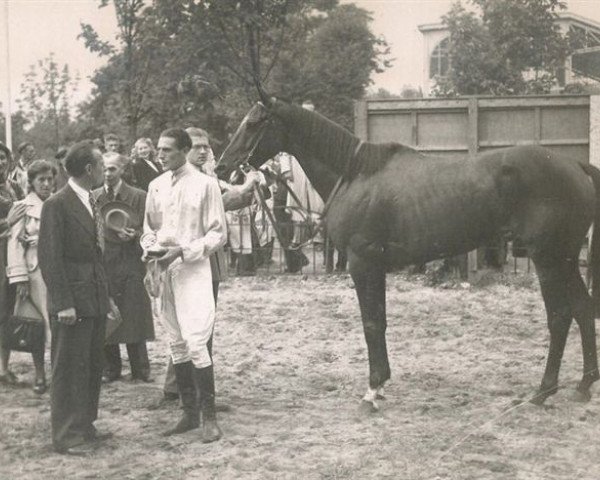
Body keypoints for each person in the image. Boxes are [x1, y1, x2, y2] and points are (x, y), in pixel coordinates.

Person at [151, 127, 263, 408]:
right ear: (186, 149)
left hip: (205, 260)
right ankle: (182, 391)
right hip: (185, 260)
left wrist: (248, 188)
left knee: (200, 327)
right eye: (197, 146)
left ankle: (188, 391)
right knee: (187, 328)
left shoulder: (208, 178)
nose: (203, 151)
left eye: (206, 146)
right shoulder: (174, 183)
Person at [142, 128, 227, 442]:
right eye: (159, 150)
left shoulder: (206, 185)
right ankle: (189, 413)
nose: (160, 155)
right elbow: (149, 228)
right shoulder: (155, 185)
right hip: (164, 271)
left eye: (167, 150)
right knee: (176, 341)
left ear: (184, 150)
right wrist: (151, 249)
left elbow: (218, 234)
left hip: (193, 270)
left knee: (196, 342)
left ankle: (210, 417)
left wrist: (186, 251)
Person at [38, 140, 111, 455]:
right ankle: (66, 435)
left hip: (93, 295)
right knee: (69, 366)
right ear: (89, 169)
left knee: (91, 364)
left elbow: (95, 255)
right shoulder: (57, 204)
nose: (106, 171)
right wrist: (63, 302)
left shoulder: (90, 201)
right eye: (103, 166)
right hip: (72, 301)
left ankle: (85, 425)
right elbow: (50, 258)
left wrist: (105, 297)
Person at [92, 153, 154, 383]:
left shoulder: (139, 196)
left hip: (130, 262)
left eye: (112, 169)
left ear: (123, 170)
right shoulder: (94, 197)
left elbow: (151, 231)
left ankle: (141, 368)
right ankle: (110, 368)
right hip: (105, 264)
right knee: (107, 313)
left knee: (134, 313)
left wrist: (135, 236)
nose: (108, 174)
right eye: (104, 169)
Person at [6, 160, 57, 393]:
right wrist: (20, 278)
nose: (46, 184)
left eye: (49, 179)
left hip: (58, 270)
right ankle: (39, 375)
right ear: (32, 182)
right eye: (41, 180)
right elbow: (14, 244)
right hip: (34, 271)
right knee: (36, 325)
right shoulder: (22, 206)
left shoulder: (60, 203)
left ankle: (60, 373)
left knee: (59, 324)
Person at [0, 142, 26, 386]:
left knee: (7, 311)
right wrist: (7, 223)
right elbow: (10, 220)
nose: (0, 163)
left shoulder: (15, 187)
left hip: (13, 255)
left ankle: (4, 367)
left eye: (3, 158)